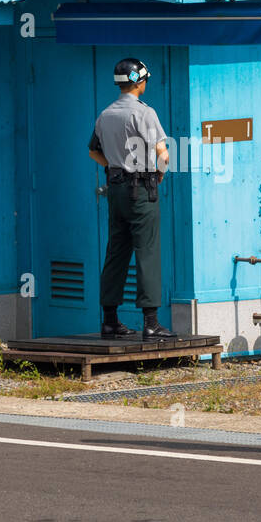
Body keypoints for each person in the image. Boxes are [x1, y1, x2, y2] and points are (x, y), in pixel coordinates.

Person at [88, 57, 176, 339]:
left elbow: (93, 151)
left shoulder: (106, 114)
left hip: (116, 189)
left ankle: (110, 320)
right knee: (147, 251)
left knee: (116, 251)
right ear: (139, 81)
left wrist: (113, 167)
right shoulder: (143, 113)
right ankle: (151, 321)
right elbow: (163, 155)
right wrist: (159, 174)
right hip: (142, 189)